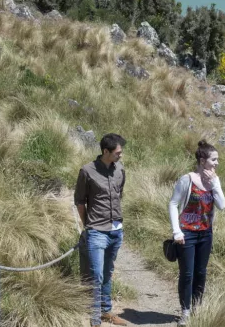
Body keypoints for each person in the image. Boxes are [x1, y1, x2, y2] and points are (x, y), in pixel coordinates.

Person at [168, 139, 225, 324]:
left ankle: (196, 308)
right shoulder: (187, 179)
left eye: (217, 160)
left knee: (201, 273)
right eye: (214, 160)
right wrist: (176, 231)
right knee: (187, 273)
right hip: (187, 234)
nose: (217, 163)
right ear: (202, 161)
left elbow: (222, 205)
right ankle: (185, 311)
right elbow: (173, 203)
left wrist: (215, 184)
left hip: (206, 234)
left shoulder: (214, 181)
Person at [75, 133, 128, 327]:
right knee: (96, 274)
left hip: (116, 230)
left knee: (107, 271)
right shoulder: (87, 171)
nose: (120, 156)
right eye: (117, 152)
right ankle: (94, 316)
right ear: (106, 151)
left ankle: (106, 311)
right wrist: (88, 224)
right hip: (96, 230)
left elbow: (118, 195)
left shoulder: (120, 169)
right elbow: (80, 201)